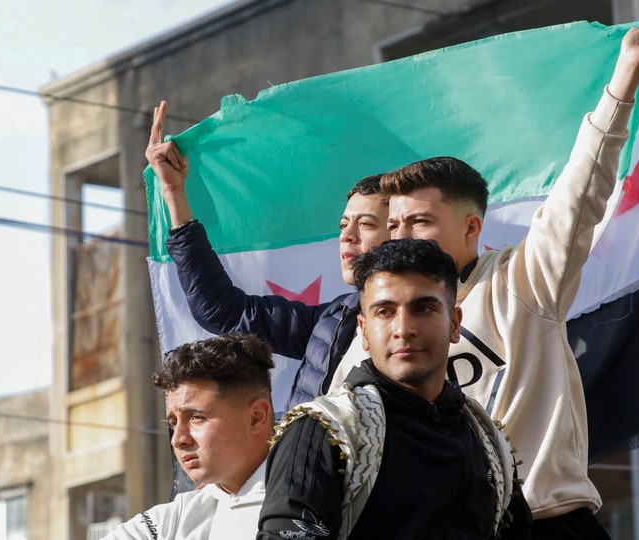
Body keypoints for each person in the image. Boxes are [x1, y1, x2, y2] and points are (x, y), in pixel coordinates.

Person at [372, 15, 639, 538]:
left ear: (471, 228)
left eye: (419, 221)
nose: (402, 236)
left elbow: (581, 193)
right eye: (393, 224)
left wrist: (623, 81)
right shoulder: (376, 329)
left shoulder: (522, 281)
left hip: (548, 521)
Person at [258, 238, 532, 539]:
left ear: (454, 323)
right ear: (363, 330)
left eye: (424, 308)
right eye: (385, 312)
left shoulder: (489, 440)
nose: (403, 329)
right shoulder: (319, 431)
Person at [147, 103, 388, 408]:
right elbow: (222, 311)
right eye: (343, 225)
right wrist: (173, 193)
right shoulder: (332, 322)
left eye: (365, 223)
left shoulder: (444, 316)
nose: (347, 236)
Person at [103, 332, 275, 539]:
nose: (177, 439)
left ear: (256, 417)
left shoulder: (310, 502)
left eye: (196, 417)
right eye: (173, 422)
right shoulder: (179, 517)